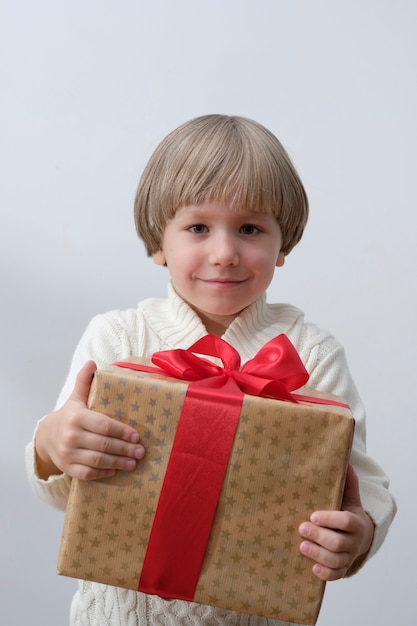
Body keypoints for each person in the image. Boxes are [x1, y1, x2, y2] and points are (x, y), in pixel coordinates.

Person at [26, 114, 396, 626]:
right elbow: (68, 492)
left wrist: (358, 529)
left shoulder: (311, 354)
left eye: (250, 228)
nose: (224, 253)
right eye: (198, 228)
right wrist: (53, 444)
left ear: (281, 243)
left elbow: (365, 482)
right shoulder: (118, 339)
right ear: (159, 242)